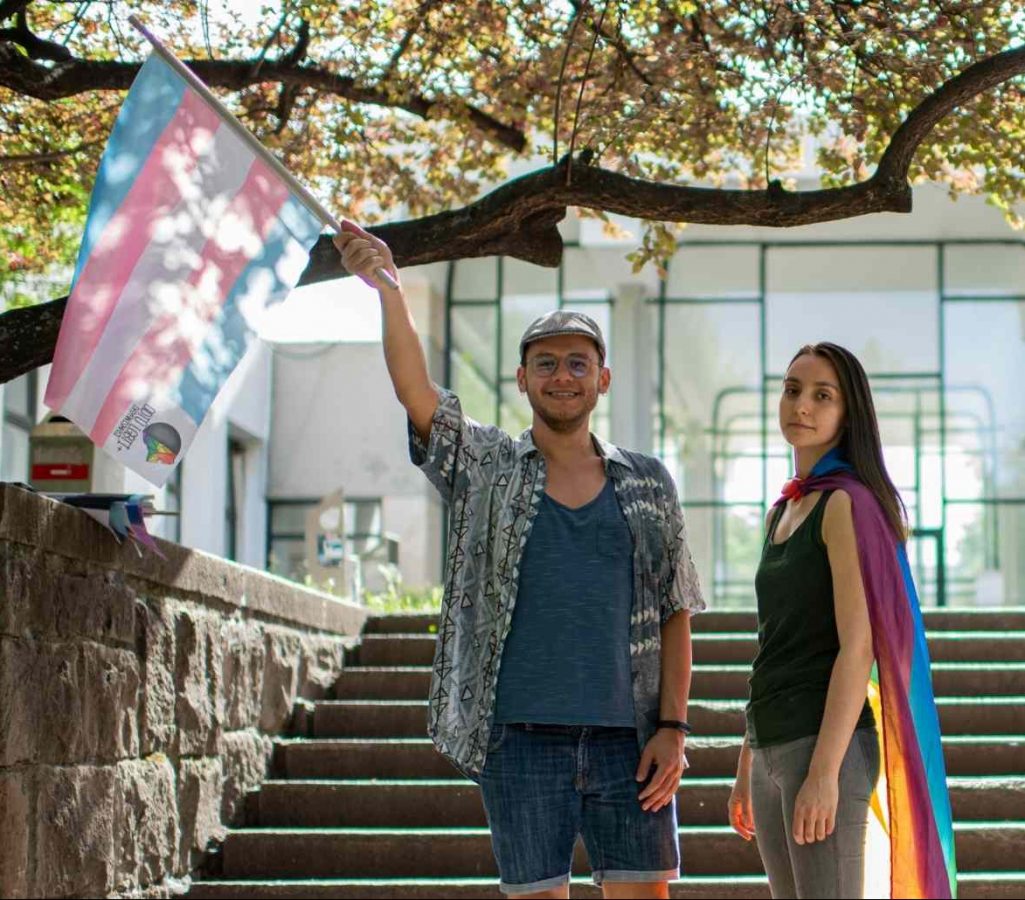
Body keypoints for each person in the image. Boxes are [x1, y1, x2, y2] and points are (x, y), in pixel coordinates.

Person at [334, 221, 705, 900]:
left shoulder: (648, 481)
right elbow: (417, 393)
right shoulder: (487, 466)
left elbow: (676, 611)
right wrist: (389, 290)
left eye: (575, 363)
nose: (561, 375)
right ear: (521, 378)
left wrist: (673, 729)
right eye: (546, 363)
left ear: (601, 378)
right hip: (519, 740)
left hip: (630, 742)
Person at [728, 342, 956, 900]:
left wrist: (825, 774)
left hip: (824, 745)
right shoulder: (780, 512)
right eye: (792, 389)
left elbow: (858, 648)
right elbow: (771, 646)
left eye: (821, 396)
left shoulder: (845, 505)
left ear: (846, 414)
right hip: (771, 743)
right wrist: (744, 764)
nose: (801, 405)